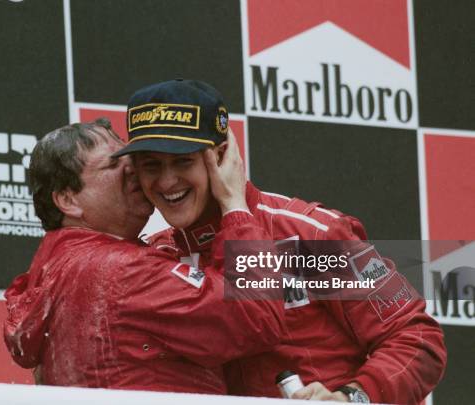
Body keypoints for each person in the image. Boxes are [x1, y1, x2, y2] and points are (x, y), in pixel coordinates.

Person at [114, 79, 447, 404]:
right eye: (152, 166)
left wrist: (351, 398)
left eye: (183, 161)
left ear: (222, 156)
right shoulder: (158, 257)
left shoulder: (307, 238)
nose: (167, 181)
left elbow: (417, 339)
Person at [3, 118, 285, 394]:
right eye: (114, 164)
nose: (135, 170)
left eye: (181, 161)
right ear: (68, 200)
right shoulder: (120, 270)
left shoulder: (58, 267)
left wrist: (332, 392)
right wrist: (235, 206)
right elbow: (256, 315)